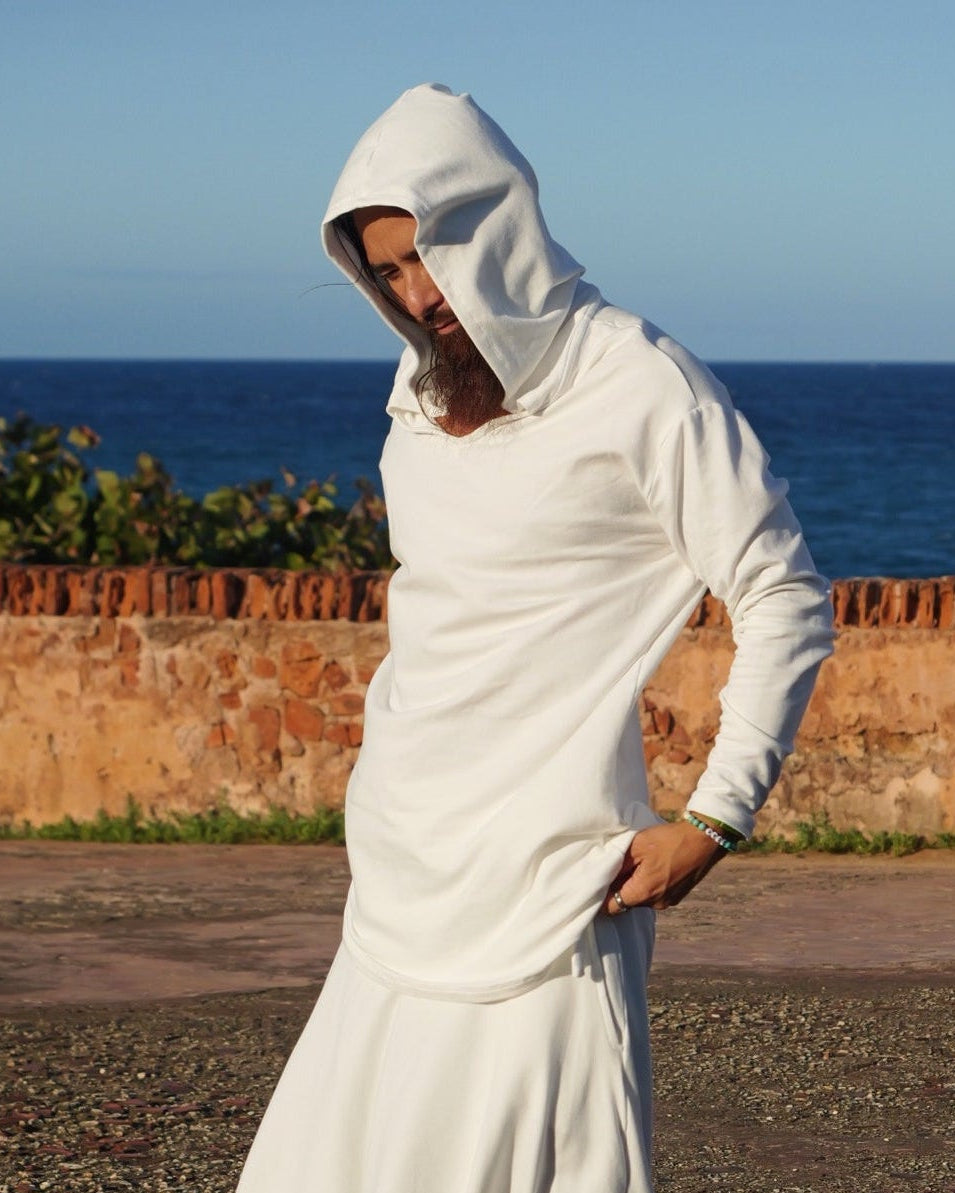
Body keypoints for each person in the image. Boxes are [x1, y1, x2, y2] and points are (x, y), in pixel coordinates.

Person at [236, 83, 834, 1193]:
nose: (419, 295)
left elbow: (784, 595)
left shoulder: (638, 381)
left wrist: (714, 818)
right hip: (398, 876)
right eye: (388, 273)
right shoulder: (417, 396)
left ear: (495, 226)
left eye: (430, 255)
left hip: (554, 895)